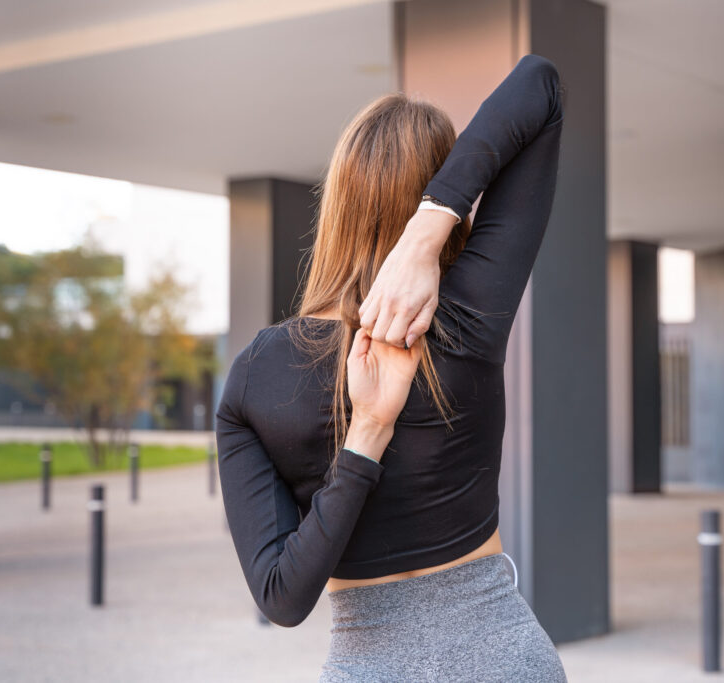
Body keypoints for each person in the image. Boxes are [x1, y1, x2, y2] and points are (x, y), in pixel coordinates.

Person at [215, 53, 568, 681]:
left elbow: (283, 599)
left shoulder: (254, 374)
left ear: (338, 201)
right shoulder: (463, 318)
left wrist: (363, 445)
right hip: (503, 659)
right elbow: (539, 85)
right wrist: (431, 227)